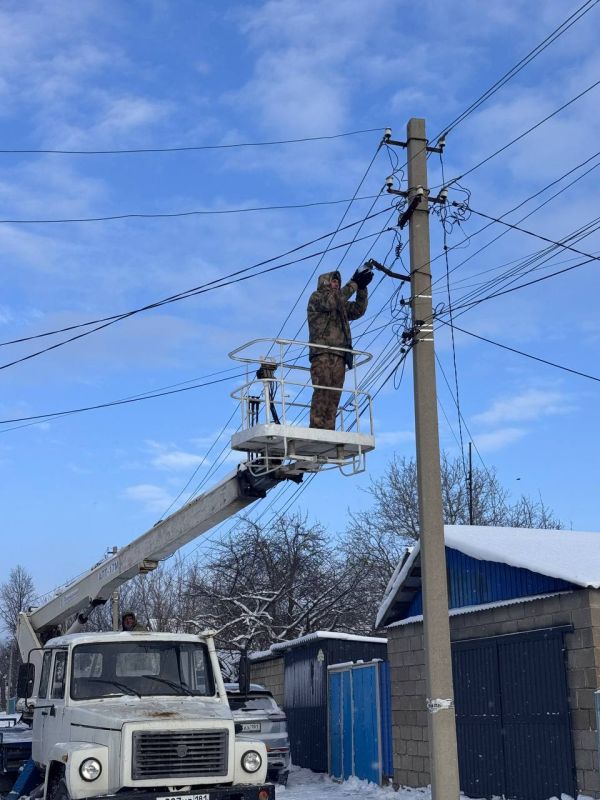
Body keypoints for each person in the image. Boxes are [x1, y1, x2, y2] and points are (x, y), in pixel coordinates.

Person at [307, 265, 372, 429]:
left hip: (340, 354)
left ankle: (329, 428)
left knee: (335, 394)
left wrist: (362, 288)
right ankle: (316, 426)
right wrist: (354, 283)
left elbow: (358, 310)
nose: (336, 284)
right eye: (333, 281)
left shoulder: (340, 303)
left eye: (338, 282)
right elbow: (331, 302)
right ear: (325, 282)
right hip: (321, 353)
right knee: (322, 391)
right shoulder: (317, 298)